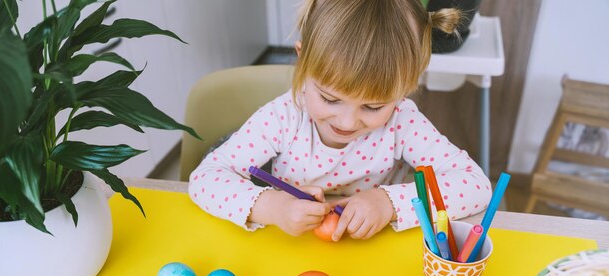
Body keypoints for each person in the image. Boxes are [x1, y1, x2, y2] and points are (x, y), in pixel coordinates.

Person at [189, 0, 492, 241]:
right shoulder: (283, 117)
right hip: (297, 250)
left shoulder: (402, 122)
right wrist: (272, 207)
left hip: (375, 255)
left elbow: (476, 185)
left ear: (407, 87)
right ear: (302, 62)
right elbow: (205, 179)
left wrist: (388, 203)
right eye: (330, 99)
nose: (348, 122)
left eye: (373, 107)